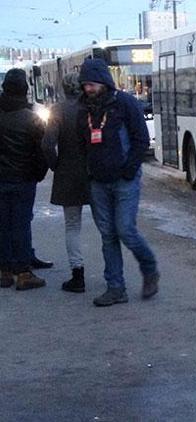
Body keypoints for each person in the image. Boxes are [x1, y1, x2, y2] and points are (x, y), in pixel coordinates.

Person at [77, 58, 160, 306]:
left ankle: (149, 267)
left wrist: (129, 169)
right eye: (85, 85)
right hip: (98, 182)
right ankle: (116, 288)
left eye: (91, 84)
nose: (88, 89)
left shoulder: (125, 103)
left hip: (124, 180)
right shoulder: (85, 109)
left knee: (125, 230)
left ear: (103, 82)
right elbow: (83, 144)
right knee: (108, 235)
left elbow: (141, 139)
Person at [0, 68, 49, 290]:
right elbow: (42, 152)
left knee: (2, 224)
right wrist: (37, 175)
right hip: (23, 180)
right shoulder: (32, 119)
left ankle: (4, 270)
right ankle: (23, 272)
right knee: (21, 224)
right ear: (25, 90)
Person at [42, 72, 89, 293]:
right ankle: (114, 277)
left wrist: (56, 165)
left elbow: (47, 144)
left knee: (72, 226)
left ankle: (77, 275)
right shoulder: (91, 108)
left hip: (68, 174)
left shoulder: (57, 110)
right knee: (106, 225)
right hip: (94, 173)